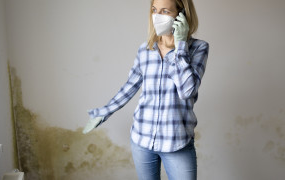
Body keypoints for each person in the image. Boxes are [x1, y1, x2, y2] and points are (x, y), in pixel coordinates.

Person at [84, 0, 209, 179]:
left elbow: (187, 91)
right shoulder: (145, 49)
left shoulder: (198, 48)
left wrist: (179, 47)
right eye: (154, 10)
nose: (157, 16)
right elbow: (130, 86)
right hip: (141, 139)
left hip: (176, 142)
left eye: (165, 11)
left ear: (181, 15)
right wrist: (104, 112)